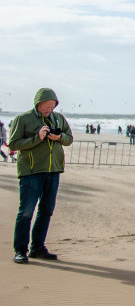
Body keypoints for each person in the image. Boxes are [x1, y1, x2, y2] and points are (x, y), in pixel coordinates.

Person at [9, 88, 73, 264]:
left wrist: (59, 137)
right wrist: (37, 138)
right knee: (26, 212)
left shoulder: (58, 118)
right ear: (38, 104)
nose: (49, 109)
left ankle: (38, 248)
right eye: (46, 106)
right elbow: (13, 144)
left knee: (46, 211)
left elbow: (69, 139)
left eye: (52, 106)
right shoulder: (23, 119)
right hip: (31, 172)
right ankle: (20, 250)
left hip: (53, 171)